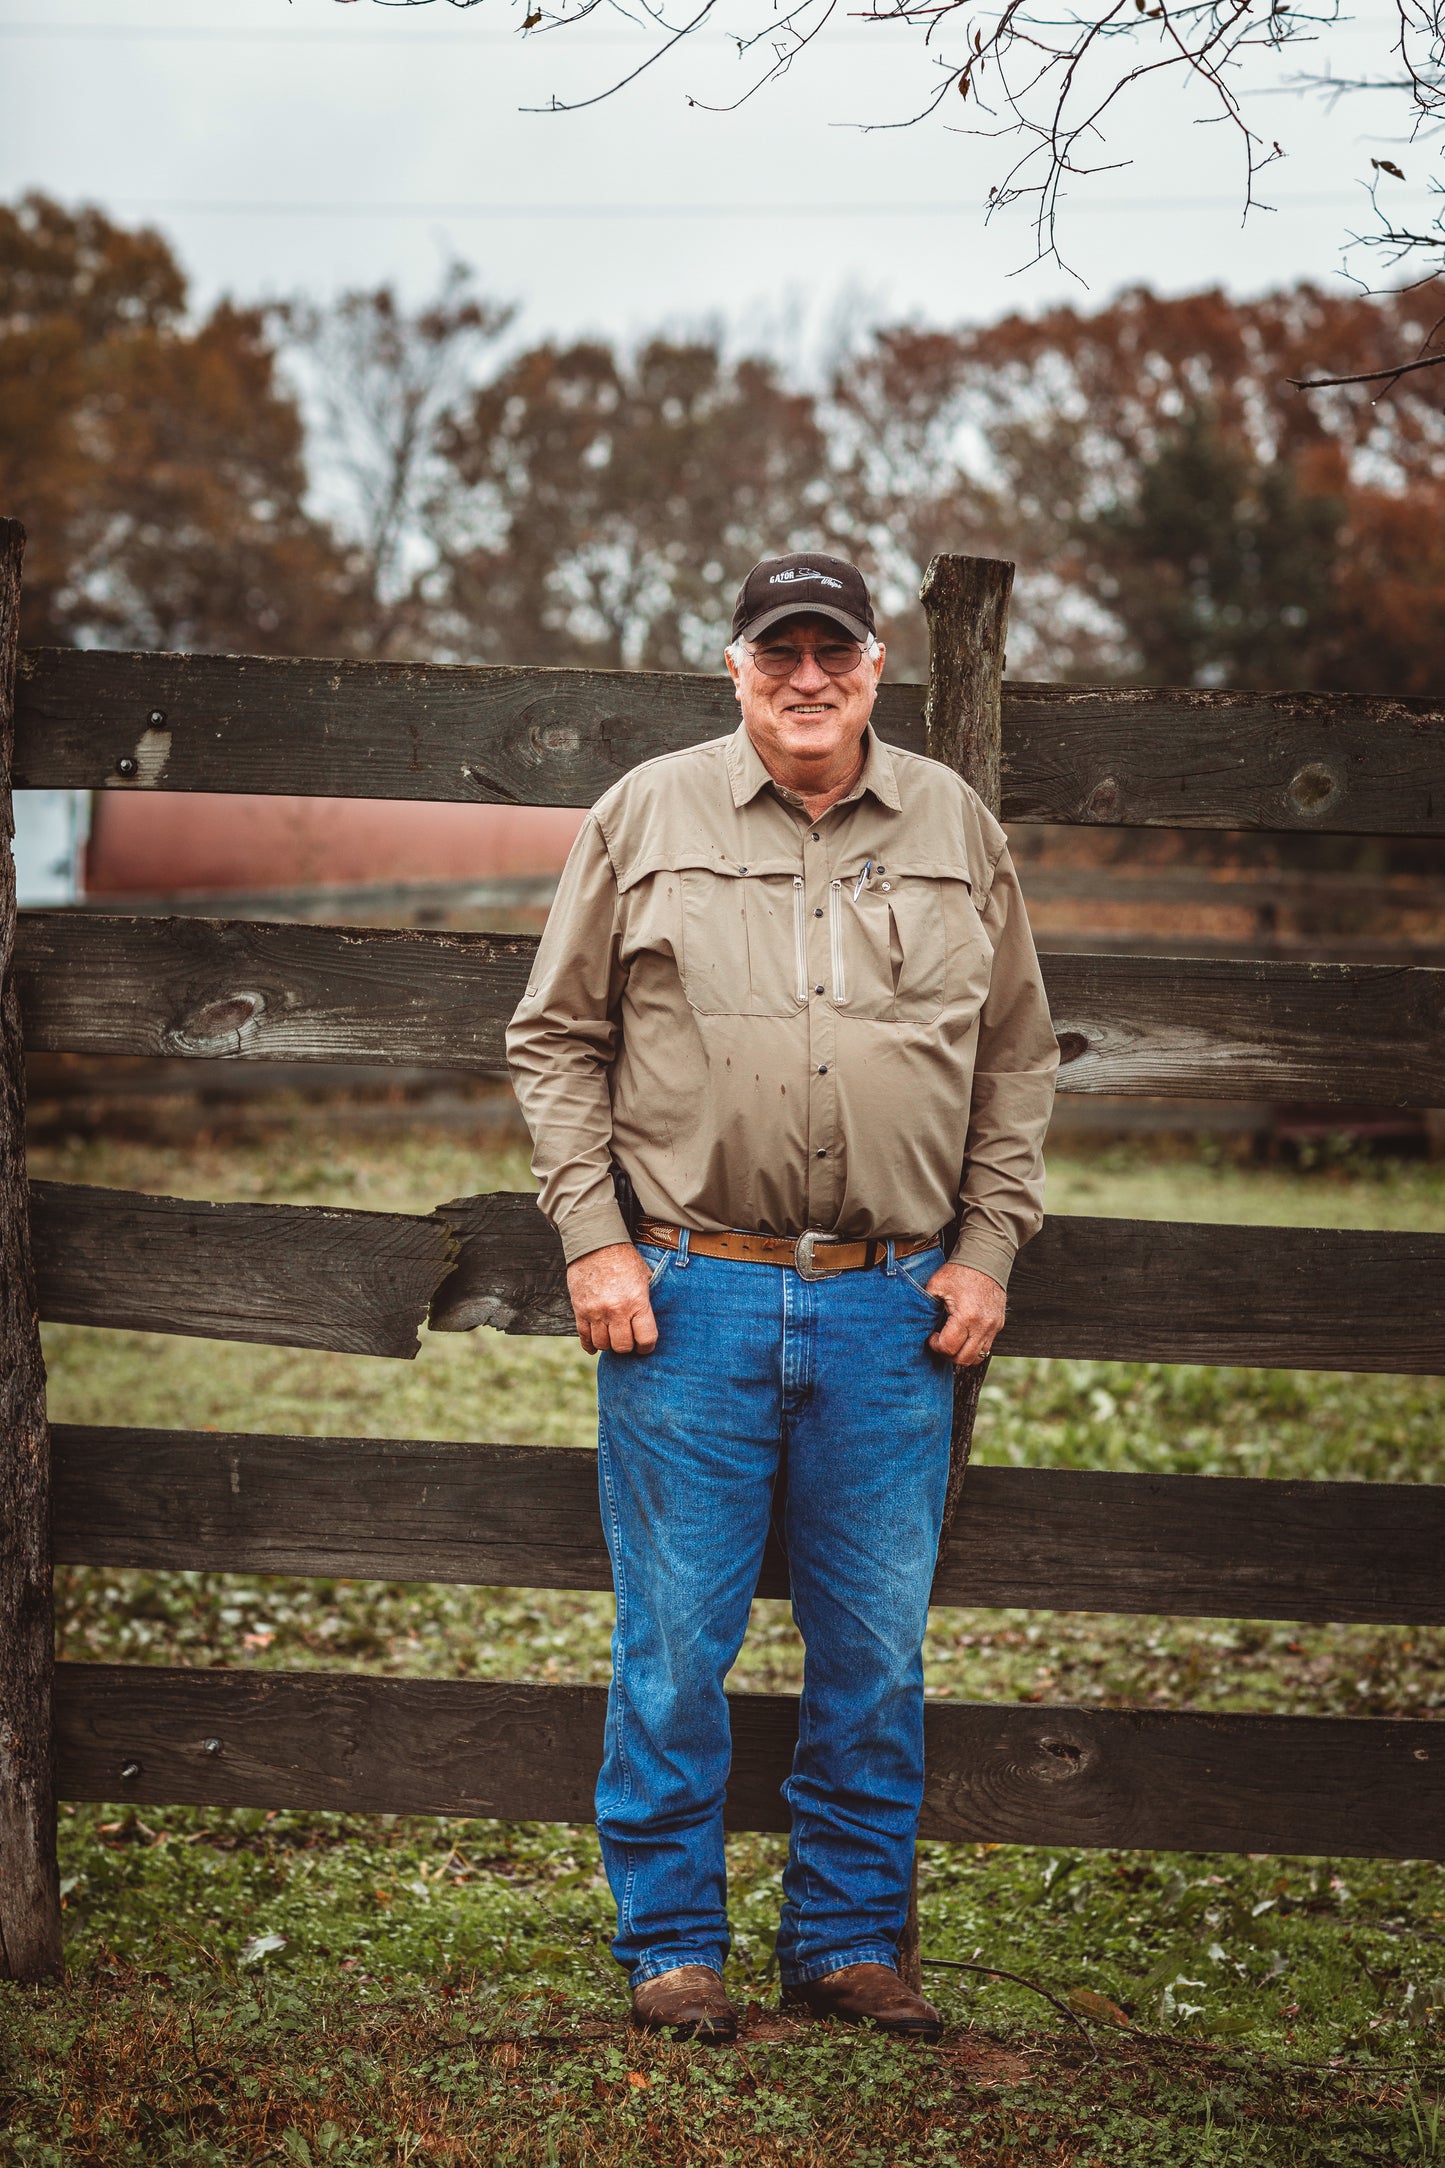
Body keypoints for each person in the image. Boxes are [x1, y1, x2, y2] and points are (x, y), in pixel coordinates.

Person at [507, 553, 1058, 2043]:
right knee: (675, 1643)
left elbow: (1013, 1060)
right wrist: (592, 1238)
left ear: (878, 664)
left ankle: (846, 1943)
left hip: (894, 1310)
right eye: (777, 652)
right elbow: (555, 1041)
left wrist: (988, 1247)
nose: (805, 677)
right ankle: (672, 1946)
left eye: (832, 650)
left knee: (875, 1648)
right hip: (690, 1294)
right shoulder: (645, 813)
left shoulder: (954, 827)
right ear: (734, 666)